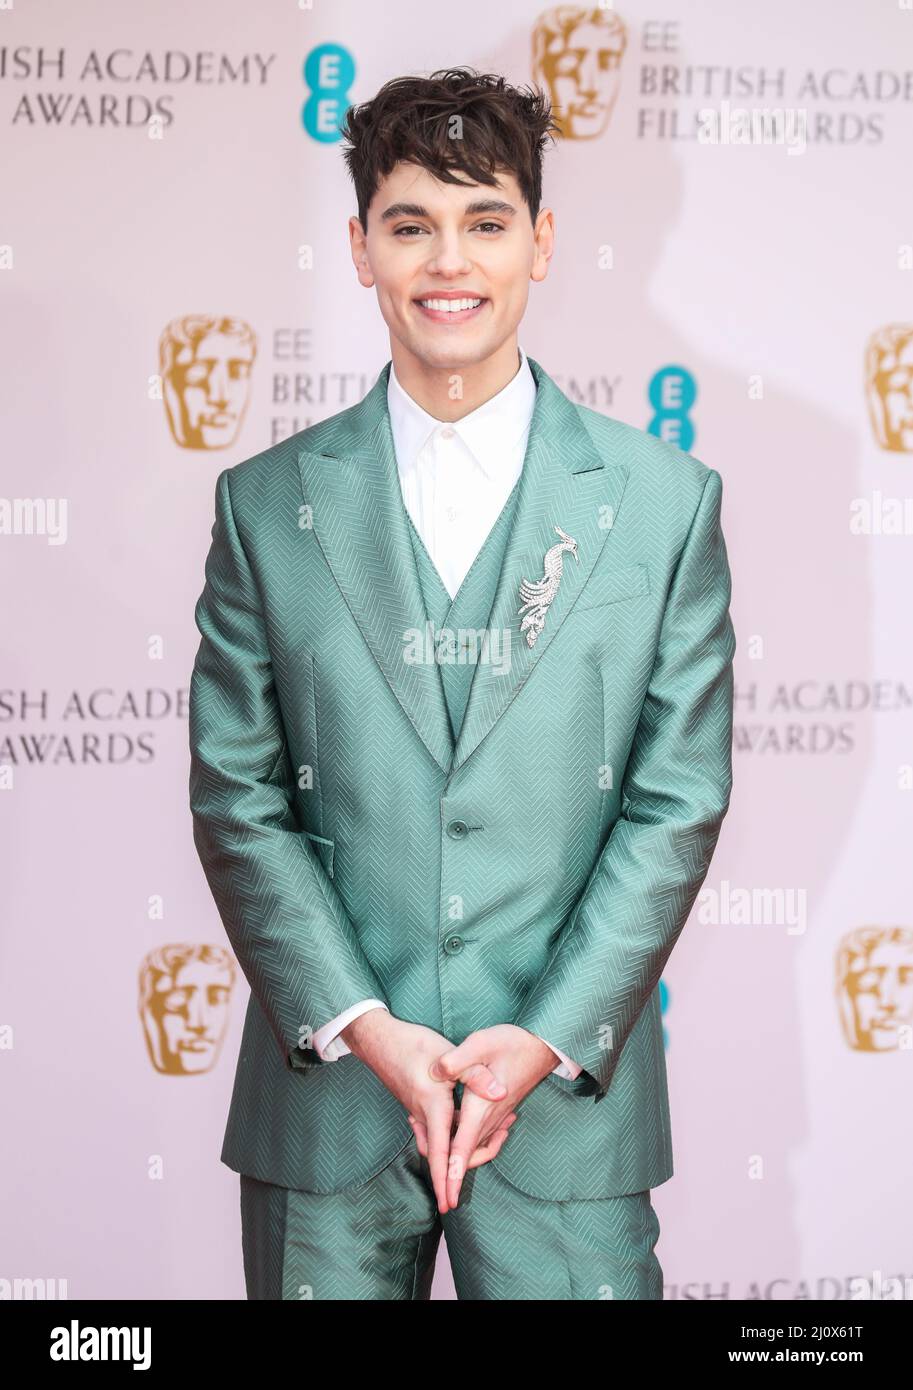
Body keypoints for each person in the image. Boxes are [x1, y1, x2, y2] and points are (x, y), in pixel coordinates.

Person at [188, 66, 736, 1301]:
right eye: (410, 224)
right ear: (359, 247)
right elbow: (237, 795)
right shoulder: (266, 506)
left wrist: (542, 1038)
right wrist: (366, 1027)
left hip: (564, 1124)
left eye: (485, 221)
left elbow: (676, 799)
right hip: (328, 1106)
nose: (450, 261)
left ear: (540, 243)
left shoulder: (663, 505)